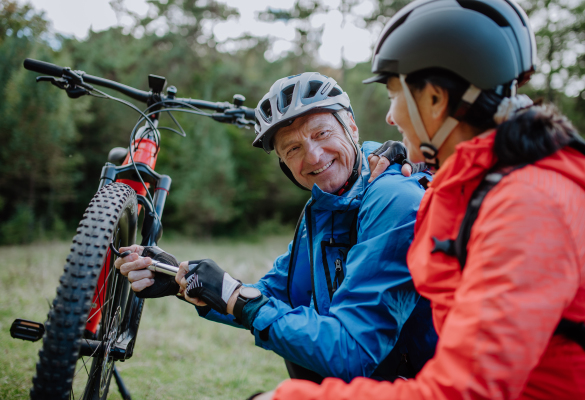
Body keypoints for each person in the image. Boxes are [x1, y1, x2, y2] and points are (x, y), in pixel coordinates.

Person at [254, 0, 585, 399]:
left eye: (394, 95)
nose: (390, 118)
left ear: (434, 100)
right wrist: (433, 171)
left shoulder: (528, 208)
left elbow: (464, 392)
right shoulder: (499, 180)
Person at [116, 72, 438, 383]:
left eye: (322, 133)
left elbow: (353, 352)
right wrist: (181, 282)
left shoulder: (392, 196)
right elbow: (272, 294)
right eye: (293, 148)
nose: (313, 156)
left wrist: (236, 298)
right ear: (285, 166)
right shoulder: (320, 211)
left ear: (352, 127)